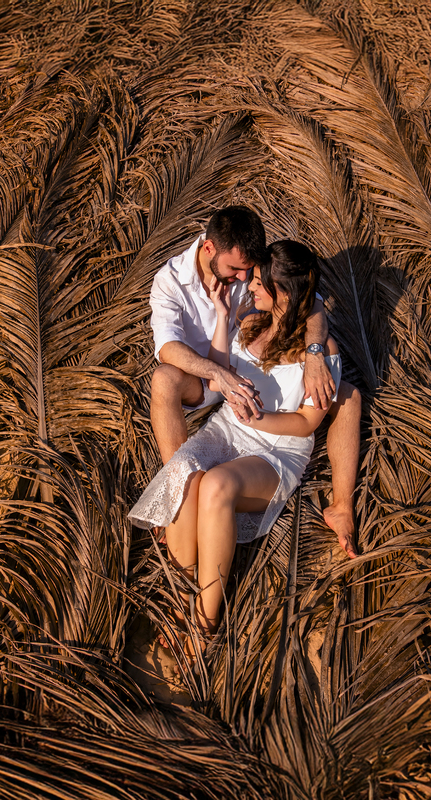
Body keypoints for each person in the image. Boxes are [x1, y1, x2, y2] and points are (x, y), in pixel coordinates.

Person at [130, 240, 341, 642]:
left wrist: (260, 416)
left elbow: (306, 423)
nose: (250, 287)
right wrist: (223, 315)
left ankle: (204, 624)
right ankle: (181, 600)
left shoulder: (322, 352)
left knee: (217, 485)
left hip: (278, 448)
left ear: (283, 293)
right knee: (183, 474)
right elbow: (222, 370)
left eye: (259, 283)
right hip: (229, 428)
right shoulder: (248, 318)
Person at [148, 206, 361, 558]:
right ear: (209, 249)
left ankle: (342, 506)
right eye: (235, 270)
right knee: (163, 379)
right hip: (206, 379)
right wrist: (218, 373)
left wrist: (313, 352)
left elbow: (311, 304)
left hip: (246, 376)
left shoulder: (250, 273)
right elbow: (167, 348)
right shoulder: (170, 281)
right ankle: (176, 496)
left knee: (348, 394)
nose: (244, 278)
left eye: (249, 271)